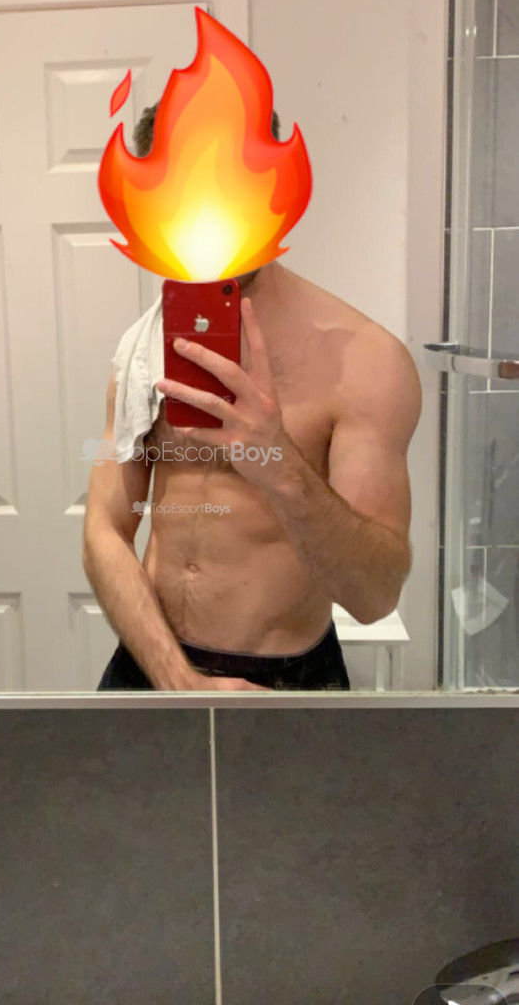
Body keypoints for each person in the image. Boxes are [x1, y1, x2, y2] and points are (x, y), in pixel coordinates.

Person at [84, 105, 422, 691]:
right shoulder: (145, 346)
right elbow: (105, 529)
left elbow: (374, 595)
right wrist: (180, 682)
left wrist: (277, 461)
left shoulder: (367, 363)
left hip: (283, 682)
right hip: (152, 667)